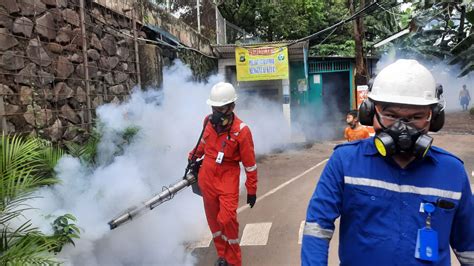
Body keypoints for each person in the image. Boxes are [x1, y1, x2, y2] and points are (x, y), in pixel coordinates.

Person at [301, 59, 474, 266]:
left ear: (434, 118)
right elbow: (317, 227)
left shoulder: (452, 171)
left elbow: (468, 247)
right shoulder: (344, 162)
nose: (403, 128)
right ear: (370, 113)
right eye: (391, 115)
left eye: (416, 117)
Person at [188, 82, 258, 266]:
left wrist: (251, 189)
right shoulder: (207, 122)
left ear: (231, 107)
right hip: (207, 176)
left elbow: (250, 165)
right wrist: (192, 159)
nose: (216, 112)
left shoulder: (242, 131)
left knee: (226, 219)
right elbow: (202, 144)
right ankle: (223, 256)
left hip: (228, 176)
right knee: (213, 221)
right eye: (214, 108)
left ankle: (233, 261)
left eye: (220, 108)